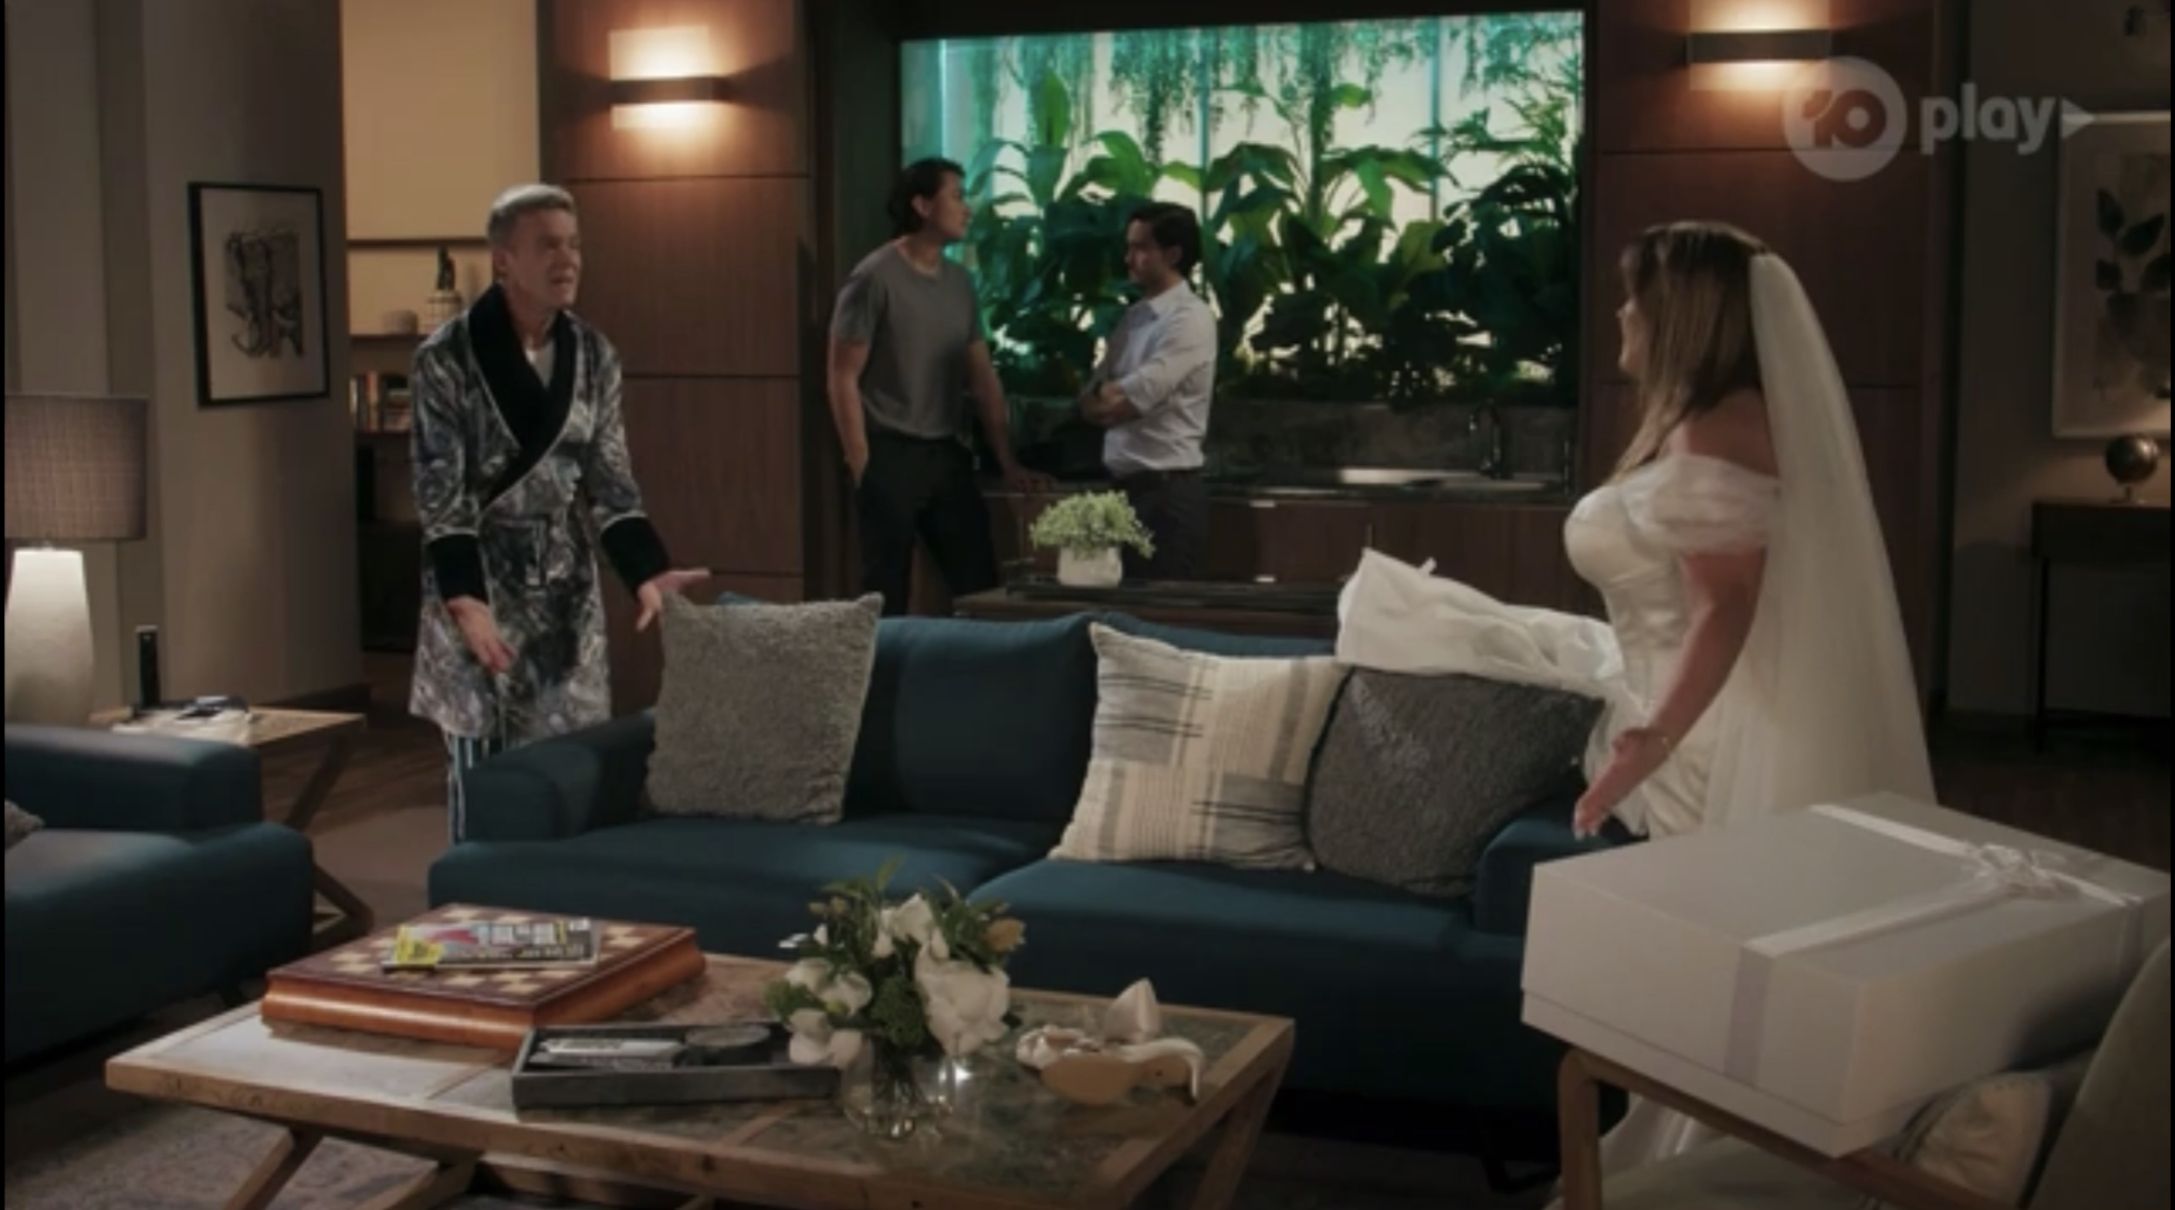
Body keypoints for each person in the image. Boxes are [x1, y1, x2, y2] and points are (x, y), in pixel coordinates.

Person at [1565, 221, 1937, 1172]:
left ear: (1679, 316)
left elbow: (1724, 606)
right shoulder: (1729, 419)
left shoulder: (1711, 430)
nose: (1621, 313)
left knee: (1710, 969)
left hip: (1698, 737)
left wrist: (1648, 740)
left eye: (1635, 297)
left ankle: (1711, 1169)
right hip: (1689, 716)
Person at [409, 183, 708, 843]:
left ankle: (565, 892)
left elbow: (611, 483)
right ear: (504, 259)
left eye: (573, 245)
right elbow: (441, 498)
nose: (566, 259)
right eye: (547, 245)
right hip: (481, 587)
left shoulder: (594, 355)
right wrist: (465, 600)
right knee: (485, 772)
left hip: (566, 590)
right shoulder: (447, 358)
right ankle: (475, 887)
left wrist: (646, 571)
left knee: (573, 767)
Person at [827, 158, 1044, 616]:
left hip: (945, 454)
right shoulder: (874, 277)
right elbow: (842, 374)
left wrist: (1007, 461)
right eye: (958, 196)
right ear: (923, 206)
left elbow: (982, 378)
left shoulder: (960, 284)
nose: (968, 208)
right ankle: (882, 665)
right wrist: (861, 464)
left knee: (979, 583)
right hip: (889, 451)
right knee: (885, 591)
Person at [1077, 202, 1218, 580]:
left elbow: (1122, 405)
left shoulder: (1189, 318)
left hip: (1166, 495)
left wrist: (1108, 397)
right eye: (1129, 247)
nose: (1128, 258)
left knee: (1161, 605)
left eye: (1140, 248)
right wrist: (1102, 397)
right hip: (1122, 490)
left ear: (1172, 255)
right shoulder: (1134, 317)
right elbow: (1089, 398)